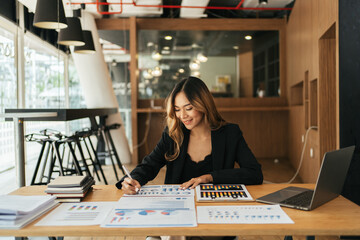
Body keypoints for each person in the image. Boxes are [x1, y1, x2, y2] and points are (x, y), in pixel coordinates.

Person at [116, 76, 263, 194]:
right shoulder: (173, 134)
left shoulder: (230, 133)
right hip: (177, 211)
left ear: (203, 104)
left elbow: (254, 173)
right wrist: (133, 180)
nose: (182, 115)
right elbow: (149, 165)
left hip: (215, 207)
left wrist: (209, 177)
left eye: (188, 108)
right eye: (177, 109)